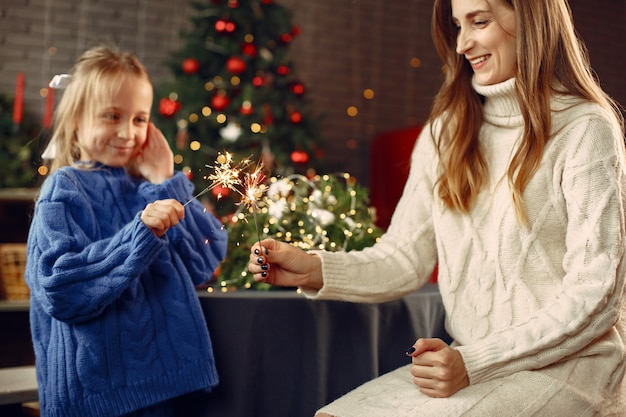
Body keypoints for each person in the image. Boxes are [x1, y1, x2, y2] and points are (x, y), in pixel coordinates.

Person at [248, 0, 626, 415]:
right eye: (457, 26)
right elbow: (404, 257)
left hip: (571, 369)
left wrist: (474, 362)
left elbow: (596, 294)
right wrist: (317, 268)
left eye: (479, 22)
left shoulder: (585, 128)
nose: (463, 43)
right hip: (472, 363)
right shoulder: (447, 129)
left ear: (532, 20)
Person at [25, 45, 228, 417]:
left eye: (139, 119)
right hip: (98, 399)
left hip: (169, 388)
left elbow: (206, 261)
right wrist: (139, 236)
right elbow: (60, 287)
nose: (127, 132)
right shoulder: (65, 188)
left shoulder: (149, 186)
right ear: (76, 120)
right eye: (112, 116)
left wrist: (166, 179)